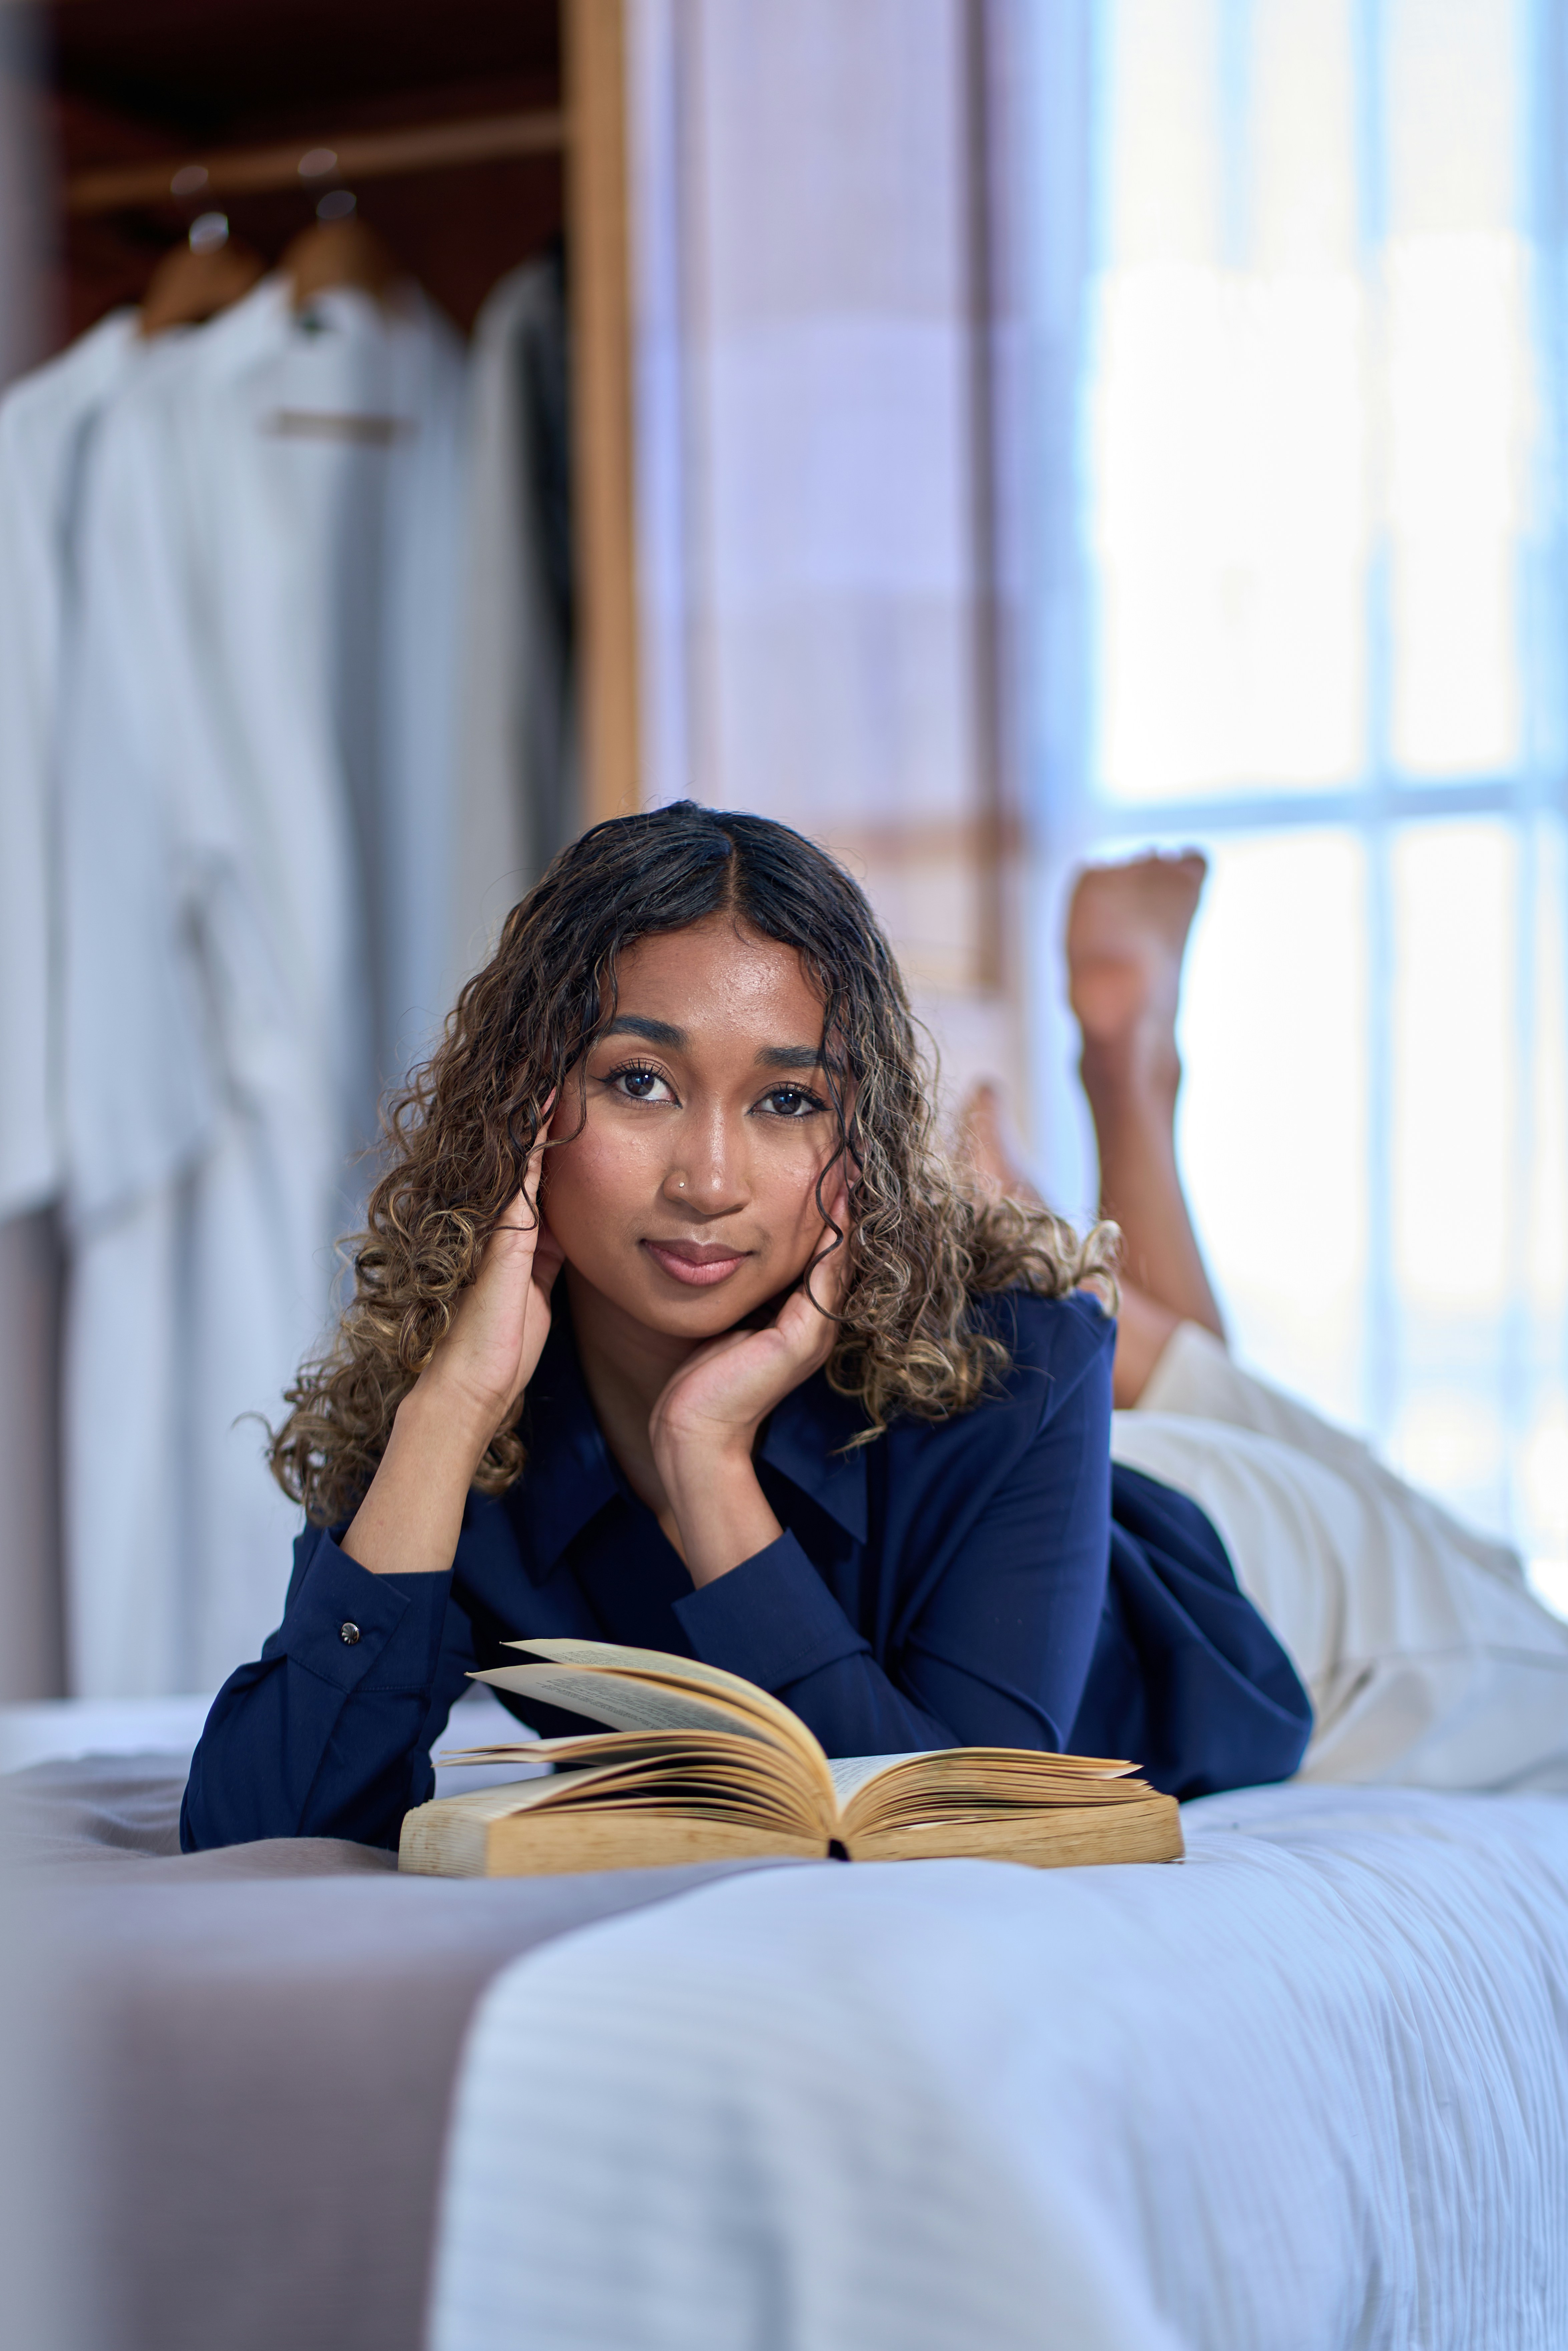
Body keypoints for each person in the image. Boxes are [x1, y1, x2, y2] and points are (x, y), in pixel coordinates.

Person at [182, 806, 1318, 1851]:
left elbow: (952, 1832)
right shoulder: (461, 1388)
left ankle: (1129, 1074)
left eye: (787, 1102)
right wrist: (447, 1414)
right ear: (519, 1104)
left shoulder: (1022, 1359)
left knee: (1213, 1402)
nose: (709, 1181)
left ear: (856, 1134)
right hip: (1073, 1468)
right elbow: (270, 1828)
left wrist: (706, 1469)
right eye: (640, 1082)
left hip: (1296, 1600)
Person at [961, 850, 1568, 1794]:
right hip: (1173, 1514)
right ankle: (1093, 1174)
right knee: (1403, 1550)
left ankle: (1086, 1191)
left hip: (1171, 1517)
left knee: (1393, 1547)